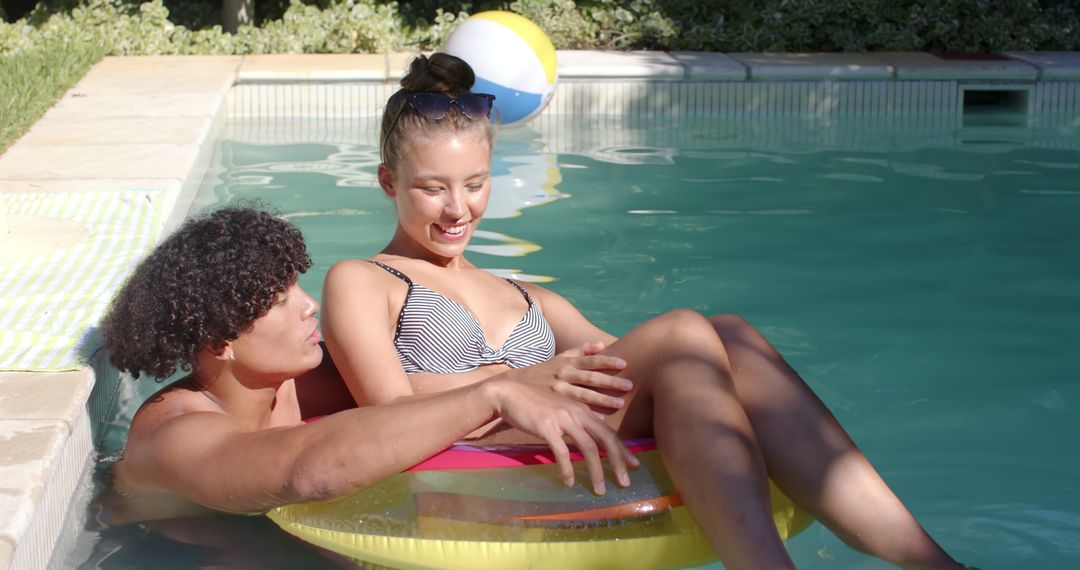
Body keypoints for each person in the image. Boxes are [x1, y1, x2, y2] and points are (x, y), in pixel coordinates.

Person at [321, 53, 964, 570]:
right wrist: (509, 384)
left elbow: (638, 362)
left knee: (727, 337)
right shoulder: (364, 280)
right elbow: (385, 416)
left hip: (567, 448)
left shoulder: (528, 296)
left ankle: (935, 565)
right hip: (473, 458)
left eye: (475, 183)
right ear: (388, 183)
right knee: (686, 329)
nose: (457, 209)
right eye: (432, 188)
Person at [98, 206, 637, 517]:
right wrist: (496, 393)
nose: (310, 304)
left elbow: (412, 393)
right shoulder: (174, 433)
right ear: (221, 343)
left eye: (297, 286)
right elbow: (302, 470)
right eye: (281, 301)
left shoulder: (294, 382)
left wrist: (524, 378)